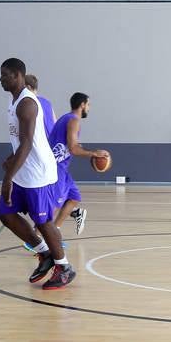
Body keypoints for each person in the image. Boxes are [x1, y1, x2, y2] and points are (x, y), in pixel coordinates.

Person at [0, 58, 76, 290]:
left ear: (18, 75)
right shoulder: (14, 102)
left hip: (37, 174)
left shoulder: (27, 104)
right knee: (6, 214)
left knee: (42, 222)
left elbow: (28, 143)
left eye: (5, 75)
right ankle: (45, 253)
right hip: (23, 169)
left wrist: (7, 178)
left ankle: (64, 267)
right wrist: (12, 162)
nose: (0, 79)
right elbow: (21, 143)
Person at [48, 92, 109, 235]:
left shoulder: (66, 118)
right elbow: (73, 149)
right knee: (53, 205)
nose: (89, 108)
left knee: (74, 197)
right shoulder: (74, 121)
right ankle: (36, 238)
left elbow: (70, 144)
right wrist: (94, 153)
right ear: (82, 105)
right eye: (88, 104)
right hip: (55, 168)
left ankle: (55, 232)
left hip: (62, 167)